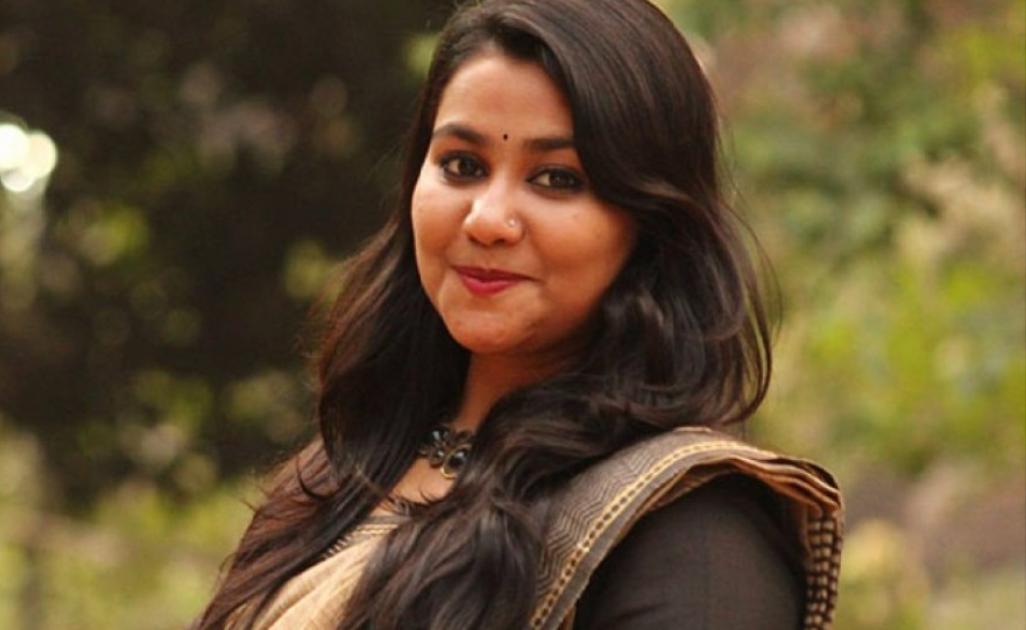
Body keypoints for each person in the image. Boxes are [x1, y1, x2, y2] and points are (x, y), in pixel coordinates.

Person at [196, 0, 843, 629]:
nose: (487, 219)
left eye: (557, 178)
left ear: (651, 226)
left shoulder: (693, 533)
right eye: (462, 166)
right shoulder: (341, 470)